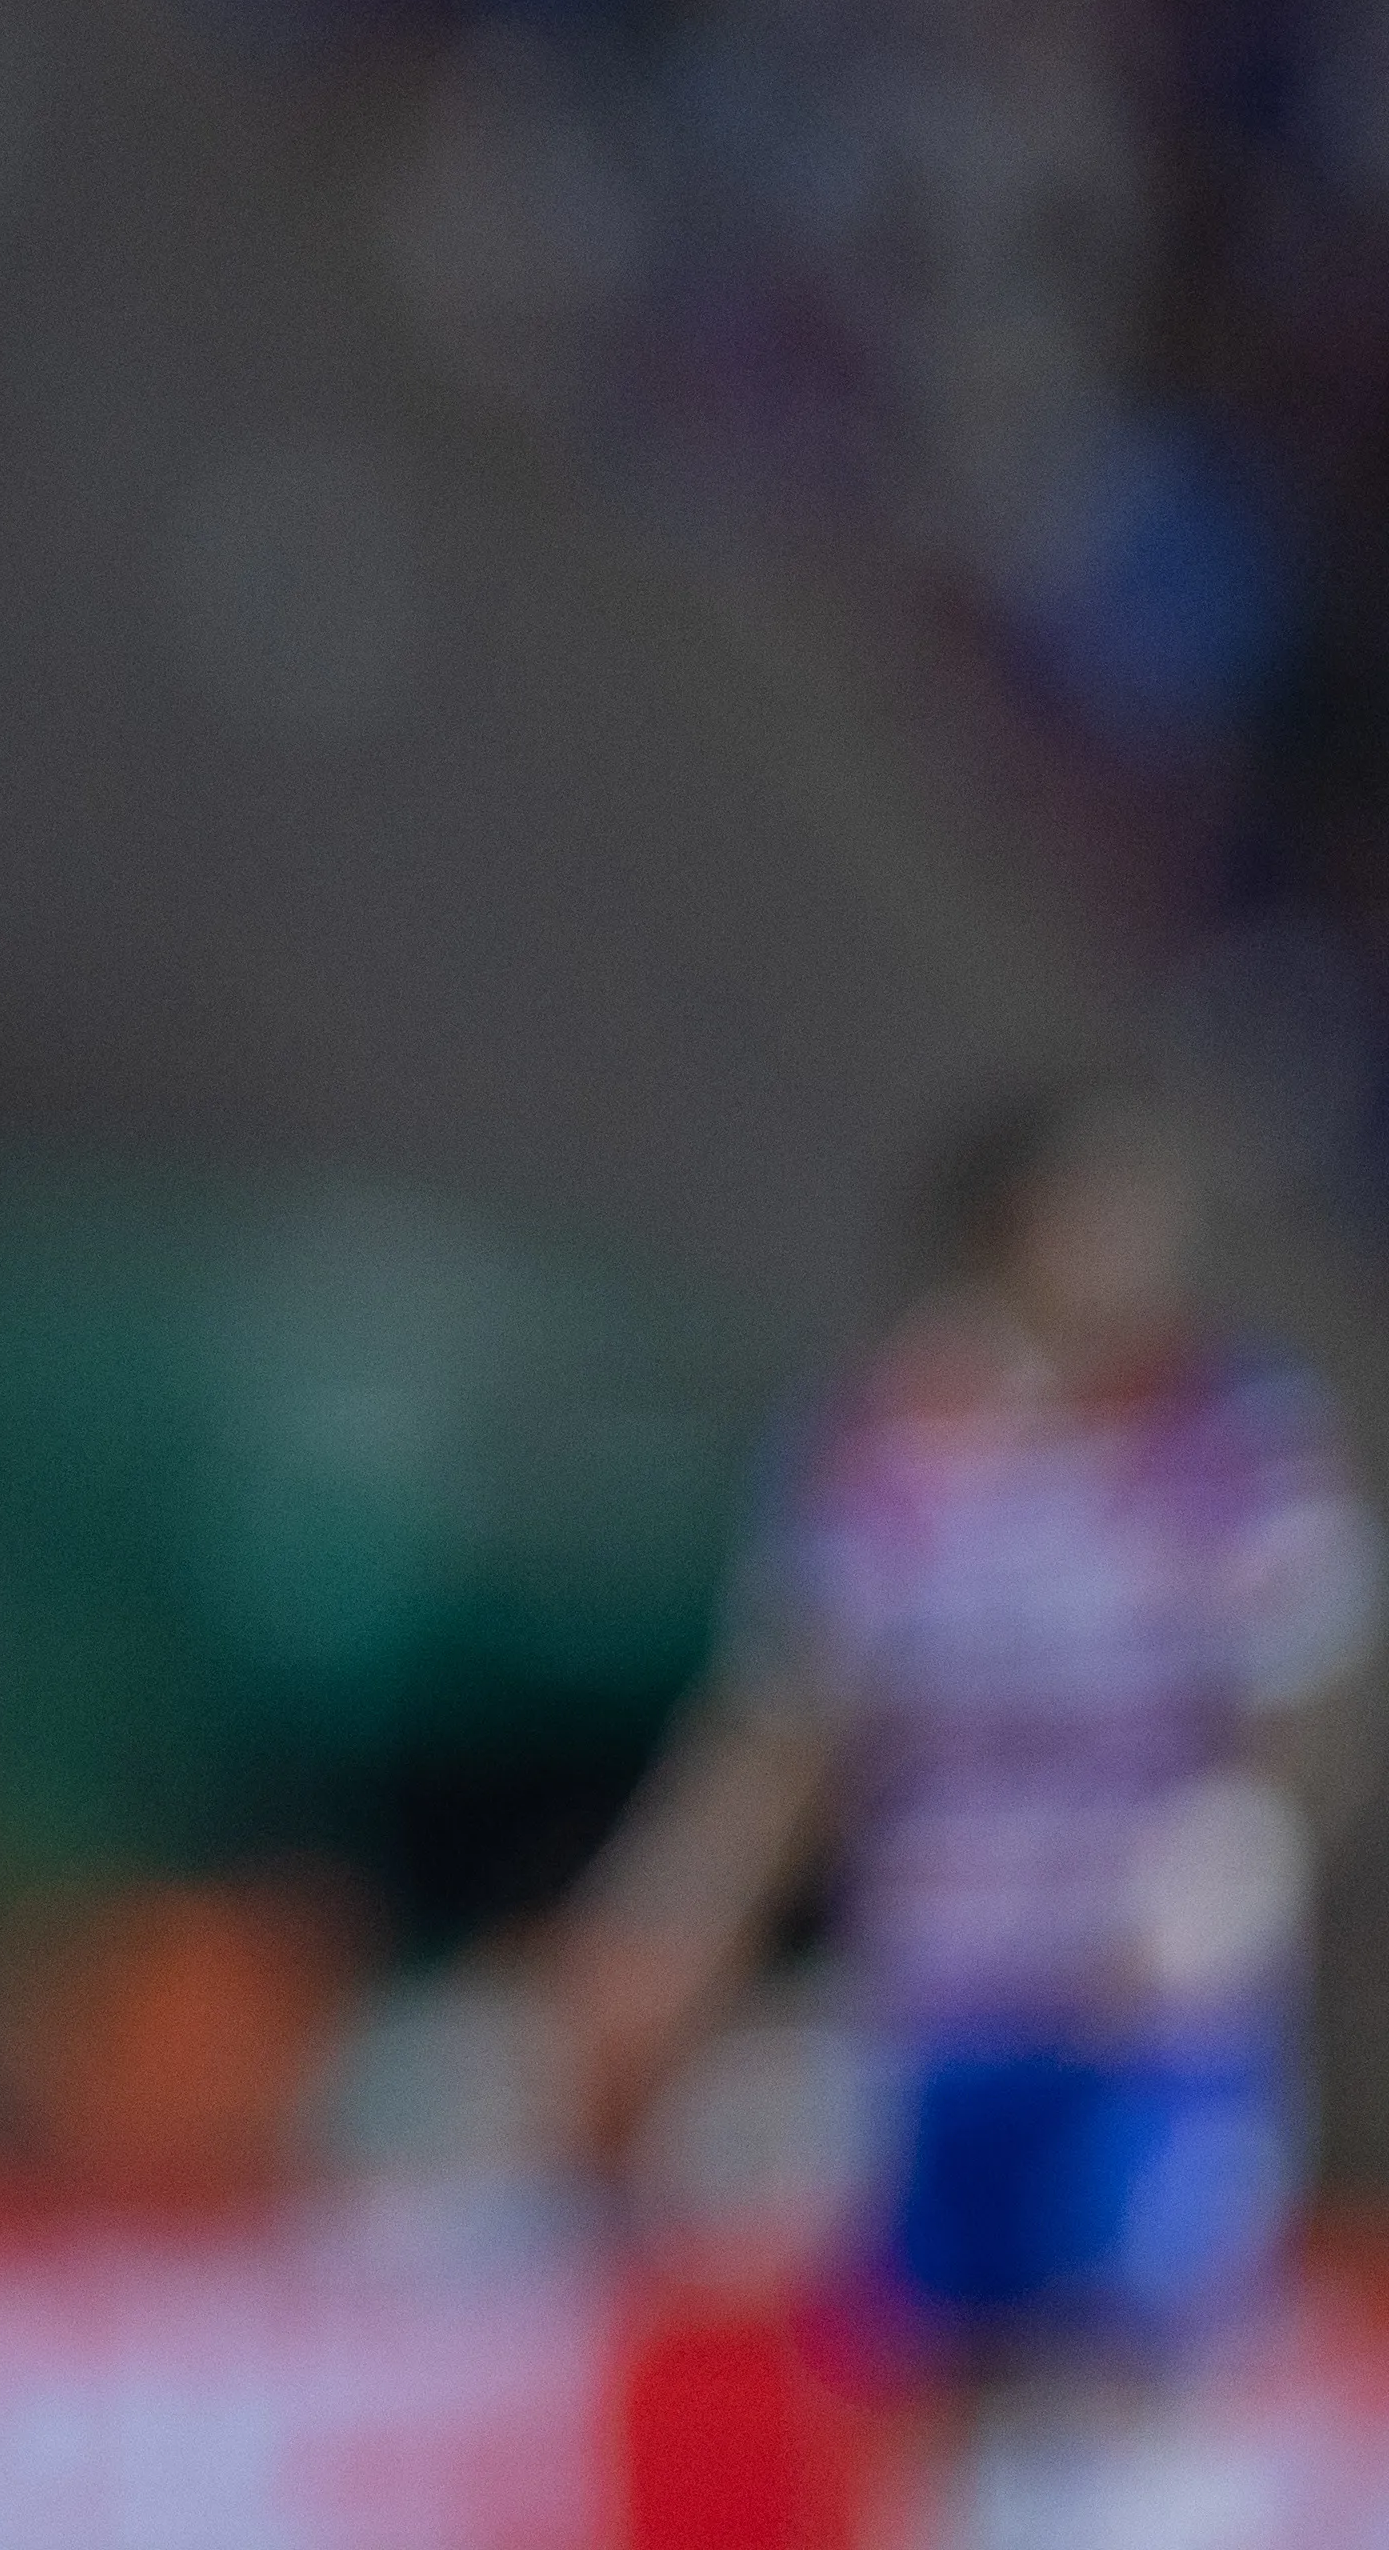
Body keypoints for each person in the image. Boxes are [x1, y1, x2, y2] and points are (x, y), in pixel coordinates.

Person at [561, 1086, 1377, 2550]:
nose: (1139, 1254)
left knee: (1135, 2373)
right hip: (942, 1993)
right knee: (931, 2377)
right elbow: (796, 1713)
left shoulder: (1220, 1434)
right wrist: (673, 1909)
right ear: (1009, 1232)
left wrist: (1239, 1844)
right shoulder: (890, 1445)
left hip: (1146, 2011)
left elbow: (1315, 1678)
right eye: (1101, 1217)